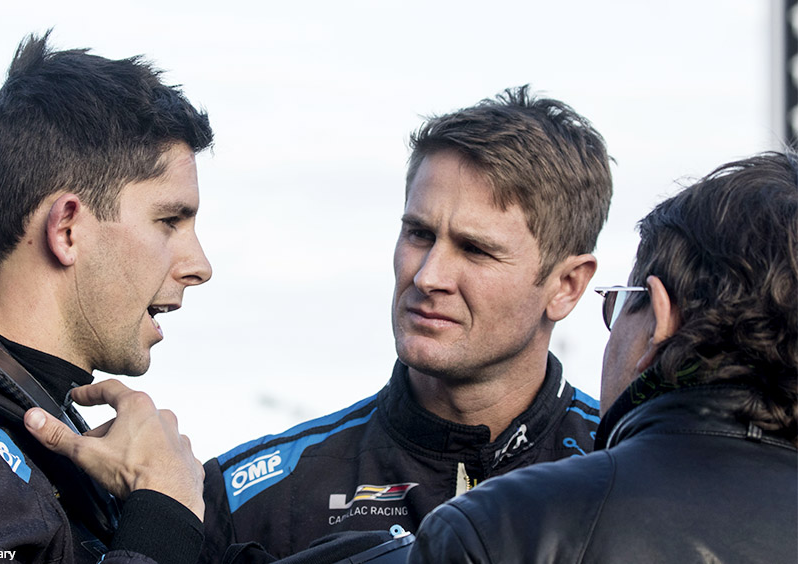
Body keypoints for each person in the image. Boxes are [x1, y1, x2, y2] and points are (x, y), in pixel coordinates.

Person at [197, 86, 613, 560]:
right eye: (419, 234)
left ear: (567, 286)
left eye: (475, 249)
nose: (427, 275)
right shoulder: (248, 497)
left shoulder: (635, 477)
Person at [0, 32, 213, 564]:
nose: (199, 267)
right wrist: (164, 516)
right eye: (169, 220)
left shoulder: (31, 441)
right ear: (67, 230)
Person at [407, 152, 798, 563]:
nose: (427, 277)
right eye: (417, 234)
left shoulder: (495, 528)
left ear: (660, 321)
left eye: (623, 302)